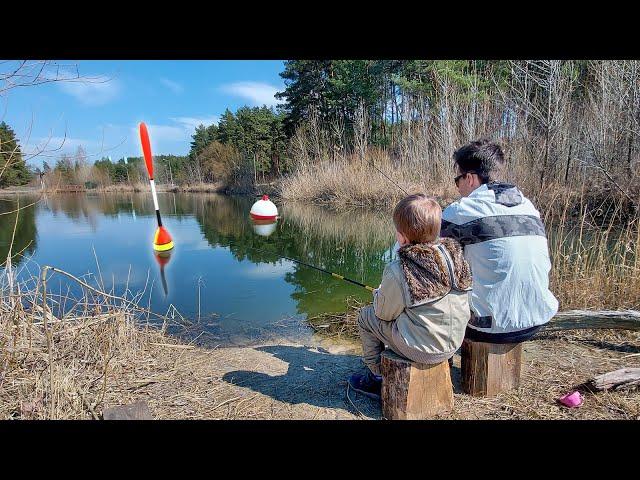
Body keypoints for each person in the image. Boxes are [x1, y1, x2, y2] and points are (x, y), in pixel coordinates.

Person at [348, 194, 472, 400]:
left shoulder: (400, 269)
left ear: (402, 238)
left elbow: (382, 313)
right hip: (454, 343)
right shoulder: (455, 256)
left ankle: (376, 376)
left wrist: (379, 294)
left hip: (424, 349)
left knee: (365, 316)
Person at [441, 139, 558, 344]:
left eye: (457, 179)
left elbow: (425, 253)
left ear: (470, 178)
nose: (457, 187)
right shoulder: (528, 206)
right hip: (537, 319)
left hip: (489, 327)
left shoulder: (461, 211)